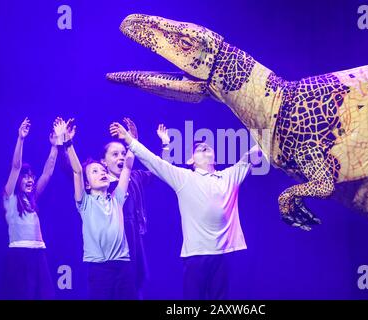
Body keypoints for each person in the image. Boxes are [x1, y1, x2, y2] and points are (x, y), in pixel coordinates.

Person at [110, 121, 261, 300]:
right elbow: (154, 161)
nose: (205, 149)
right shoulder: (185, 178)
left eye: (208, 148)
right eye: (199, 149)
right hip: (195, 257)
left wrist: (267, 129)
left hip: (221, 256)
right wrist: (128, 139)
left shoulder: (229, 177)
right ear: (190, 160)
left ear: (215, 157)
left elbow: (254, 154)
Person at [55, 118, 136, 300]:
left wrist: (131, 139)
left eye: (103, 171)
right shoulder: (84, 202)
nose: (102, 173)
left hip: (123, 266)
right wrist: (68, 143)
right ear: (87, 184)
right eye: (95, 171)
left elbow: (128, 166)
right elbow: (77, 171)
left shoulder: (117, 199)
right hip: (99, 269)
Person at [100, 118, 171, 298]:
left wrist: (165, 144)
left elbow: (159, 171)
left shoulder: (136, 177)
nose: (121, 157)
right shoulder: (100, 185)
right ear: (103, 161)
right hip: (113, 243)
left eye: (123, 153)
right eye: (114, 154)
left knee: (135, 284)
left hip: (134, 238)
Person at [2, 117, 59, 299]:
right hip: (19, 254)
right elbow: (16, 166)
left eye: (31, 177)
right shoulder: (9, 196)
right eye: (26, 177)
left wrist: (55, 146)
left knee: (44, 294)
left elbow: (48, 172)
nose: (30, 179)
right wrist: (21, 138)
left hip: (39, 253)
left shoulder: (32, 198)